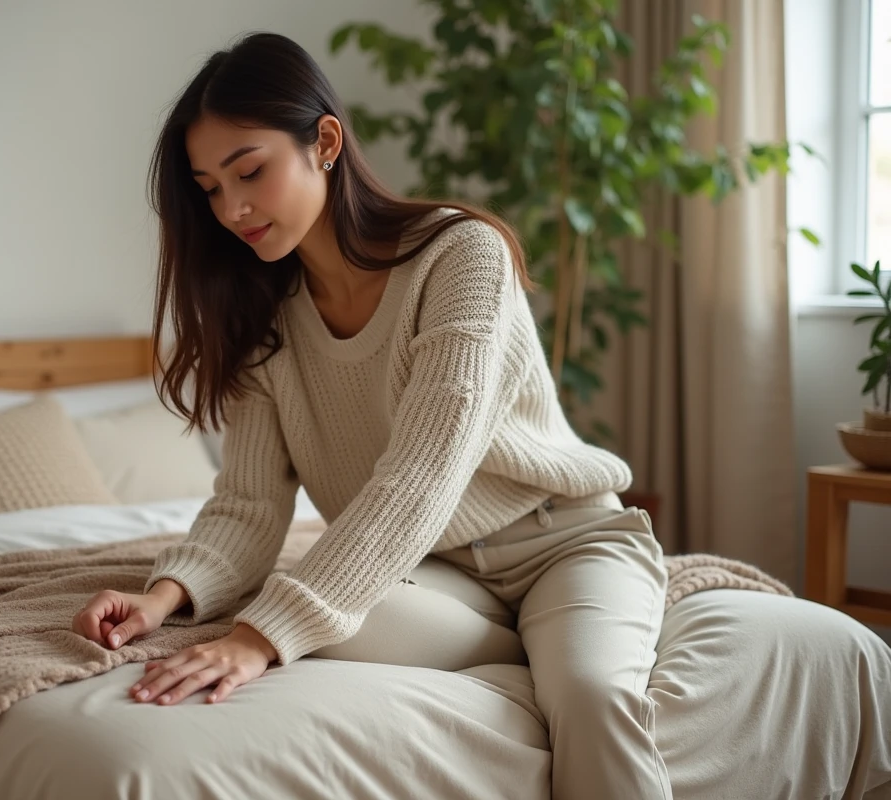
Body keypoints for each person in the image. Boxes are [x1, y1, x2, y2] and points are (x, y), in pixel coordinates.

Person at [72, 31, 671, 800]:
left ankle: (566, 644)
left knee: (589, 694)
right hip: (434, 573)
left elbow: (425, 472)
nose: (232, 208)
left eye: (249, 171)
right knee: (311, 611)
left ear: (325, 141)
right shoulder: (264, 316)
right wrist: (164, 598)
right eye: (210, 188)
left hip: (563, 545)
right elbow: (249, 506)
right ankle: (535, 646)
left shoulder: (461, 256)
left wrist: (259, 641)